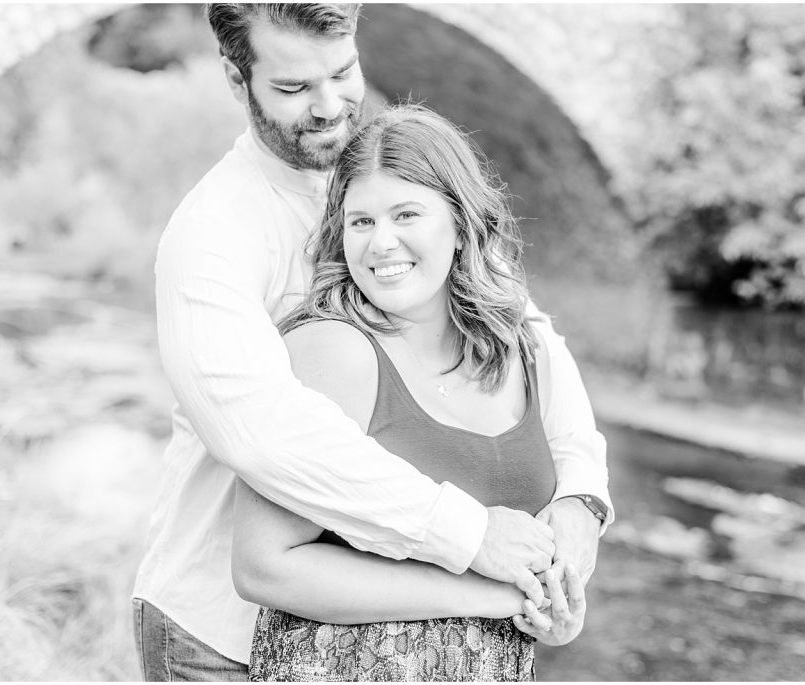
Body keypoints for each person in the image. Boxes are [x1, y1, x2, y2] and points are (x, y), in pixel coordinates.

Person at [132, 3, 612, 681]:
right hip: (219, 636)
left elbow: (532, 342)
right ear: (237, 82)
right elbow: (262, 436)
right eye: (295, 88)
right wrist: (476, 542)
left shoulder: (386, 172)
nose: (330, 106)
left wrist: (581, 504)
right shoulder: (214, 235)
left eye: (344, 71)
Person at [233, 103, 588, 682]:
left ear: (460, 219)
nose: (381, 244)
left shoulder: (521, 348)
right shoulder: (335, 352)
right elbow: (264, 568)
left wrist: (555, 610)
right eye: (361, 221)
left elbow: (563, 502)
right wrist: (488, 594)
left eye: (406, 214)